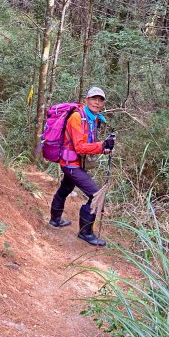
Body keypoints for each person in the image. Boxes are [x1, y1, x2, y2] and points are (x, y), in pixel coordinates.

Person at [49, 86, 115, 246]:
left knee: (65, 189)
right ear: (87, 99)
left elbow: (89, 144)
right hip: (71, 163)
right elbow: (79, 147)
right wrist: (101, 146)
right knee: (95, 194)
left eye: (100, 100)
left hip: (74, 163)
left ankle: (55, 220)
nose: (97, 102)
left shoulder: (94, 119)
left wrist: (105, 148)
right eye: (94, 99)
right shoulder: (77, 118)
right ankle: (85, 233)